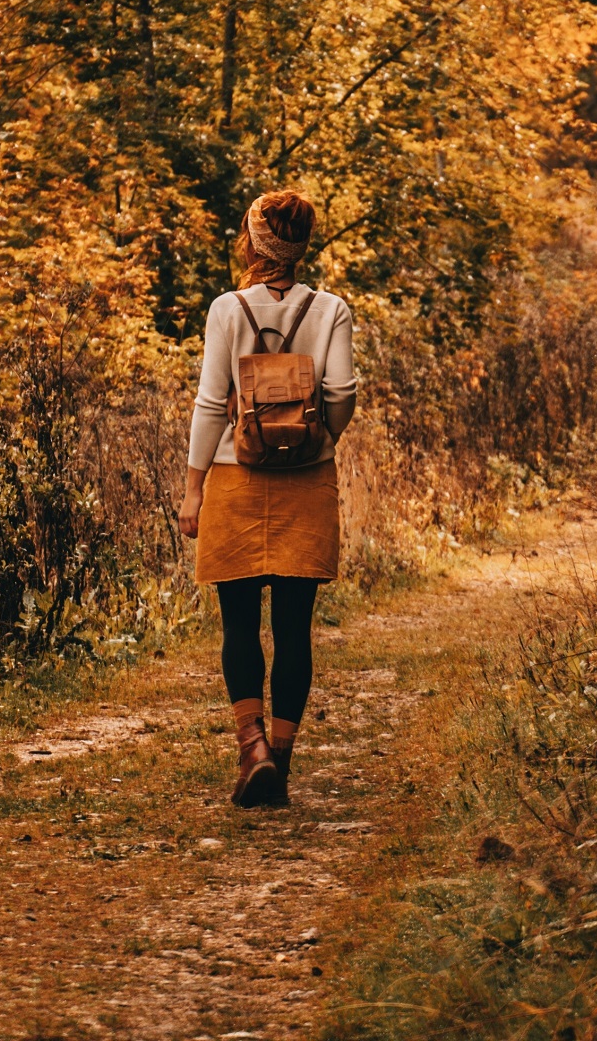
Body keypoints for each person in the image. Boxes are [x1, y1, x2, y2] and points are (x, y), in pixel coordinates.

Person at [178, 189, 358, 808]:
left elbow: (209, 402)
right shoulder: (332, 308)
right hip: (307, 482)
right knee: (293, 628)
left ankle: (250, 747)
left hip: (235, 475)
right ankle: (278, 759)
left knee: (238, 624)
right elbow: (340, 390)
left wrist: (193, 485)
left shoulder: (226, 309)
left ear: (255, 242)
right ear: (300, 246)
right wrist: (317, 438)